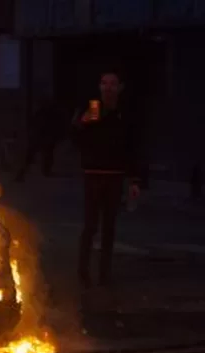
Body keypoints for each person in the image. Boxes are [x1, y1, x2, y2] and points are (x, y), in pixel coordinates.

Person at [72, 71, 141, 287]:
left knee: (109, 226)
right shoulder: (94, 107)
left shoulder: (125, 113)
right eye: (104, 83)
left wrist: (134, 180)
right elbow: (79, 136)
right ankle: (83, 272)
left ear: (120, 87)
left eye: (112, 84)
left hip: (115, 175)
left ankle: (104, 273)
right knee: (91, 225)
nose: (108, 88)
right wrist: (81, 124)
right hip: (93, 174)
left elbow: (132, 147)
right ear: (99, 87)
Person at [16, 99, 65, 181]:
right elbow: (36, 124)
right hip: (40, 137)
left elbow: (51, 126)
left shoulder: (48, 114)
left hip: (44, 137)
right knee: (32, 156)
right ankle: (22, 173)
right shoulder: (43, 113)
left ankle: (43, 171)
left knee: (45, 155)